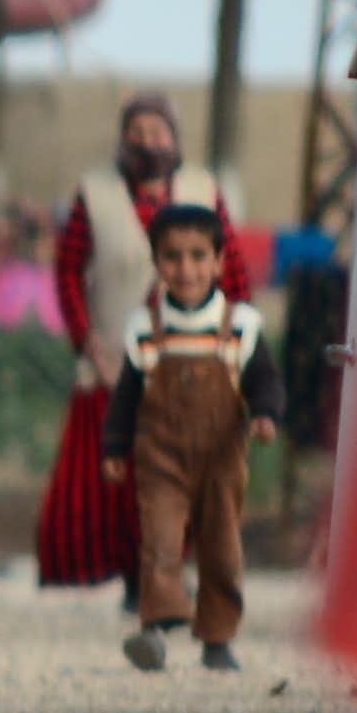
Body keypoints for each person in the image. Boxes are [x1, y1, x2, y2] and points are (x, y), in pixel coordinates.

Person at [37, 92, 253, 597]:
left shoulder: (202, 190)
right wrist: (87, 341)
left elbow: (234, 271)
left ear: (175, 139)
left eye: (157, 133)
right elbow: (68, 272)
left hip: (191, 357)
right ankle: (141, 577)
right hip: (113, 361)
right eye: (137, 133)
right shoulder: (95, 194)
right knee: (120, 477)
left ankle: (172, 572)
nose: (148, 143)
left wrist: (232, 340)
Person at [103, 205, 282, 674]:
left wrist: (265, 414)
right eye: (173, 257)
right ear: (157, 262)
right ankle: (158, 625)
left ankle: (218, 637)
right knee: (159, 541)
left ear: (219, 261)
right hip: (161, 460)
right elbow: (126, 396)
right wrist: (115, 447)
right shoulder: (145, 328)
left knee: (221, 547)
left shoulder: (240, 324)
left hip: (221, 462)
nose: (186, 269)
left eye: (198, 256)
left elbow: (264, 379)